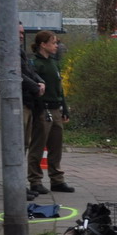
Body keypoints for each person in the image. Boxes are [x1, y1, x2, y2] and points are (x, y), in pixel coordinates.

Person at [0, 22, 46, 201]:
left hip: (26, 102)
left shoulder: (19, 51)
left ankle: (19, 184)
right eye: (19, 33)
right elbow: (15, 74)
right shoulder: (3, 52)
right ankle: (15, 186)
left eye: (23, 33)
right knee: (16, 145)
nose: (22, 36)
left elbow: (28, 71)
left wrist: (40, 82)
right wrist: (35, 86)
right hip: (15, 104)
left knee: (23, 144)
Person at [29, 31, 74, 193]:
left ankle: (57, 180)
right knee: (38, 146)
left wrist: (65, 108)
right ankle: (35, 180)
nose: (56, 46)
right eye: (53, 43)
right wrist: (39, 107)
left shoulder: (54, 63)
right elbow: (34, 87)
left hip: (56, 108)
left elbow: (59, 88)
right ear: (43, 44)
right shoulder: (35, 63)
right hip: (43, 109)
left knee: (56, 146)